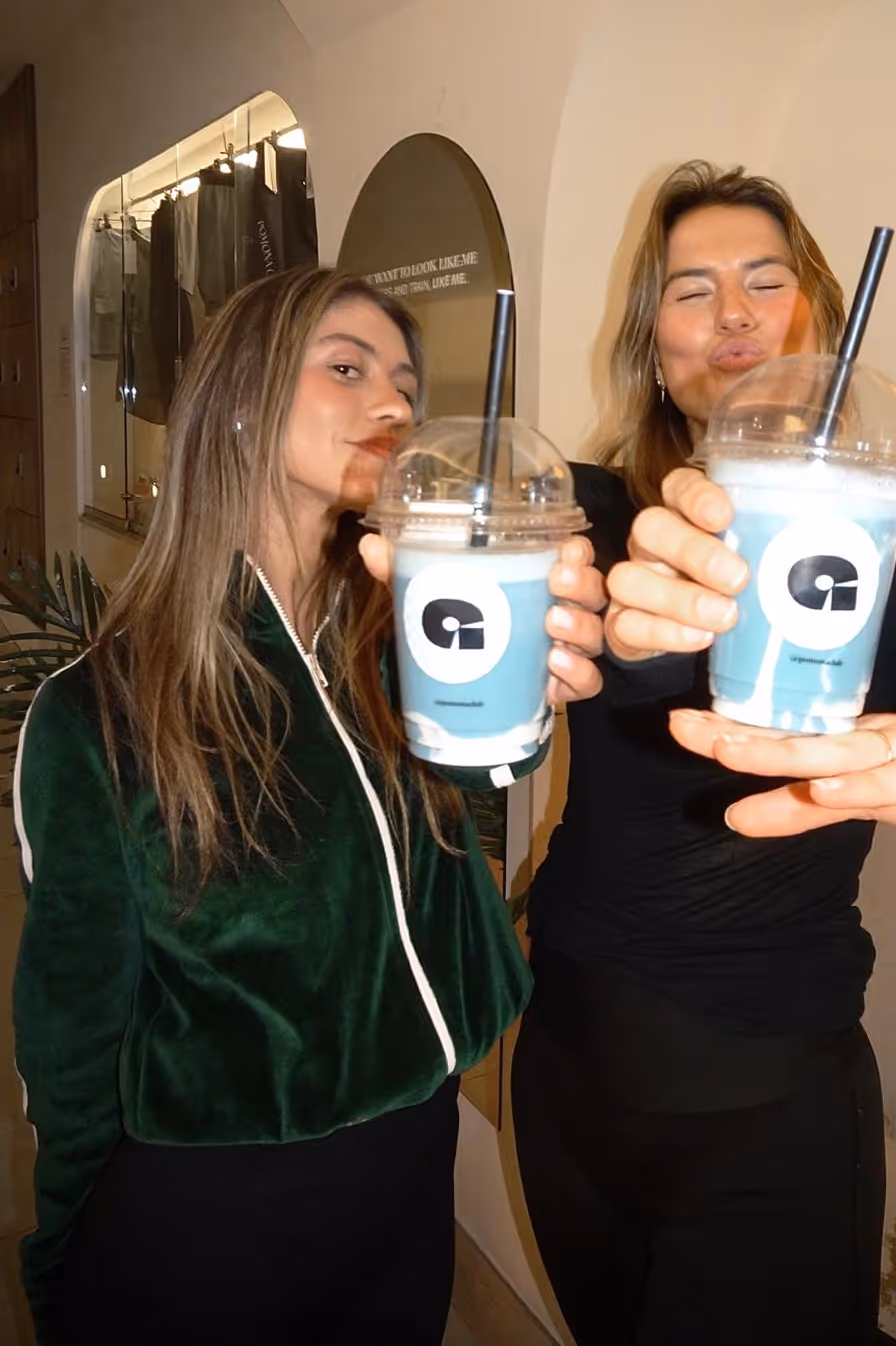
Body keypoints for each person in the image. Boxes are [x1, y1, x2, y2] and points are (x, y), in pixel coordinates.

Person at [512, 162, 896, 1346]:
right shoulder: (583, 514)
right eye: (692, 290)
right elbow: (474, 581)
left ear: (822, 327)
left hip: (768, 1095)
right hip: (564, 1058)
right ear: (655, 352)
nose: (732, 312)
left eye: (766, 281)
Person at [13, 266, 605, 1346]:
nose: (393, 403)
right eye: (346, 368)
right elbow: (71, 1028)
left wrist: (528, 684)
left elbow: (478, 788)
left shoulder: (391, 638)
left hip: (409, 1169)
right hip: (217, 1209)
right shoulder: (102, 710)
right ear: (241, 402)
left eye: (407, 384)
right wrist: (61, 1261)